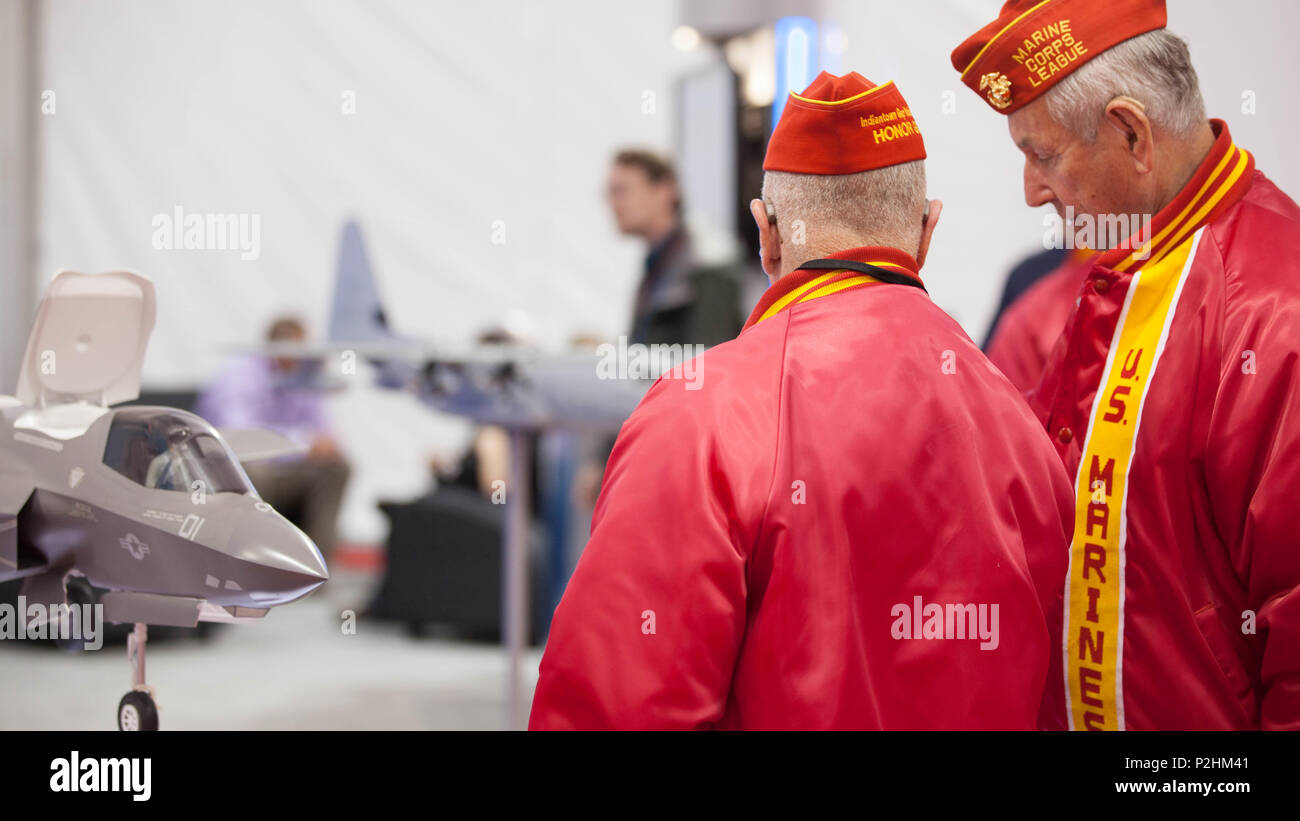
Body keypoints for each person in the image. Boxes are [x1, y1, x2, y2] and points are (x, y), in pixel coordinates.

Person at [529, 72, 1073, 730]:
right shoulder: (1024, 425)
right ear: (927, 232)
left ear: (768, 235)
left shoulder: (705, 415)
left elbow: (617, 705)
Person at [951, 0, 1300, 730]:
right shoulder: (1129, 272)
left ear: (1132, 133)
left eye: (1042, 155)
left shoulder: (1274, 311)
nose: (1032, 192)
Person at [197, 316, 350, 559]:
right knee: (254, 472)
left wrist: (321, 445)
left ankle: (314, 562)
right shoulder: (239, 377)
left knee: (338, 467)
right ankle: (248, 560)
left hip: (284, 467)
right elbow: (241, 438)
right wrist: (303, 443)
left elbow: (323, 431)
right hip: (234, 468)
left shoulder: (304, 377)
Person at [606, 149, 743, 348]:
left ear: (664, 191)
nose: (612, 203)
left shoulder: (708, 264)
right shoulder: (661, 261)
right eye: (610, 192)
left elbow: (710, 363)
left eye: (621, 191)